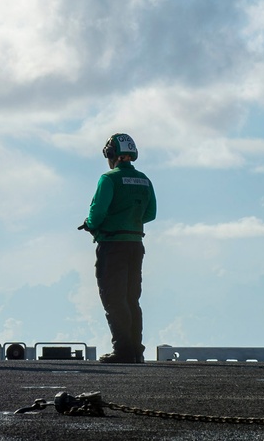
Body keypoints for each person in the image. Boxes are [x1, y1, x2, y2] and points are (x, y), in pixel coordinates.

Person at [81, 133, 156, 364]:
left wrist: (90, 224)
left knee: (113, 298)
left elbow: (97, 213)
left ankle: (122, 350)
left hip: (112, 245)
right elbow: (150, 214)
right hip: (136, 245)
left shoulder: (108, 179)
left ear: (110, 154)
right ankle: (136, 351)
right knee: (132, 298)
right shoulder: (144, 179)